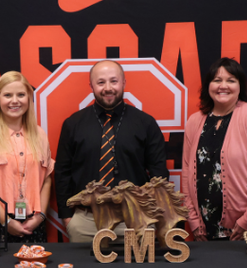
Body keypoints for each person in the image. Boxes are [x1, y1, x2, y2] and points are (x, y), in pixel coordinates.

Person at [55, 59, 169, 242]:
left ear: (124, 82)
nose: (108, 88)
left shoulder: (145, 123)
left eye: (113, 81)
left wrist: (154, 216)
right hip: (86, 223)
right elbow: (63, 173)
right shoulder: (73, 124)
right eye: (101, 82)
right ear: (91, 85)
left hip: (135, 221)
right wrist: (68, 218)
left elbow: (159, 174)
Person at [182, 58, 247, 241]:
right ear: (208, 85)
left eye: (231, 80)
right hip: (203, 230)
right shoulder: (194, 121)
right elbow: (186, 172)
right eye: (217, 80)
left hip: (244, 230)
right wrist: (193, 221)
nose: (223, 86)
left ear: (240, 86)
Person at [0, 71, 53, 240]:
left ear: (29, 99)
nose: (15, 101)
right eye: (7, 95)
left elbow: (47, 178)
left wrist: (39, 217)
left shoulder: (40, 135)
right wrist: (6, 220)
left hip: (32, 224)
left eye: (21, 95)